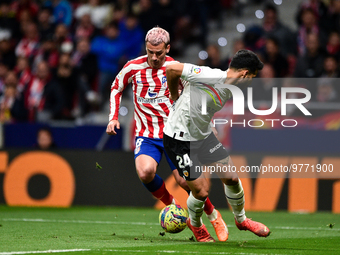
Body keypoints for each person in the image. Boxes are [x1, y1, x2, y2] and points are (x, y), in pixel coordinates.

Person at [106, 27, 229, 242]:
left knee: (185, 181)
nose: (154, 57)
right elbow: (116, 87)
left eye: (159, 53)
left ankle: (213, 215)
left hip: (175, 134)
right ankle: (176, 209)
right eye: (150, 52)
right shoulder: (132, 67)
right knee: (145, 172)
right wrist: (113, 117)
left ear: (168, 48)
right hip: (146, 135)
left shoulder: (176, 68)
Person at [163, 49, 270, 242]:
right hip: (180, 139)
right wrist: (174, 96)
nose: (251, 82)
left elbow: (203, 105)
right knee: (201, 191)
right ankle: (195, 225)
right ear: (244, 74)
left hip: (203, 136)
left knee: (231, 177)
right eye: (252, 77)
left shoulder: (230, 89)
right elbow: (172, 69)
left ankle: (241, 220)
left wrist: (209, 124)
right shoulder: (210, 75)